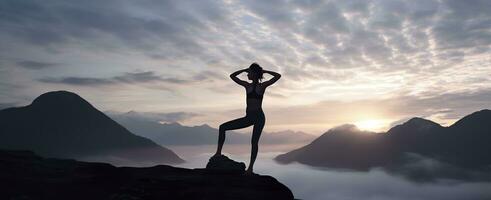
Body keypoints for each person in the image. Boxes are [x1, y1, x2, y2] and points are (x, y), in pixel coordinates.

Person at [213, 63, 281, 175]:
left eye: (249, 72)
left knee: (254, 142)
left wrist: (264, 72)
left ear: (254, 74)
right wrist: (244, 69)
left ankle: (250, 169)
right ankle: (218, 153)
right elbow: (232, 76)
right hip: (248, 117)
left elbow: (278, 76)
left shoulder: (261, 86)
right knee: (223, 127)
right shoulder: (246, 85)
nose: (247, 74)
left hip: (259, 117)